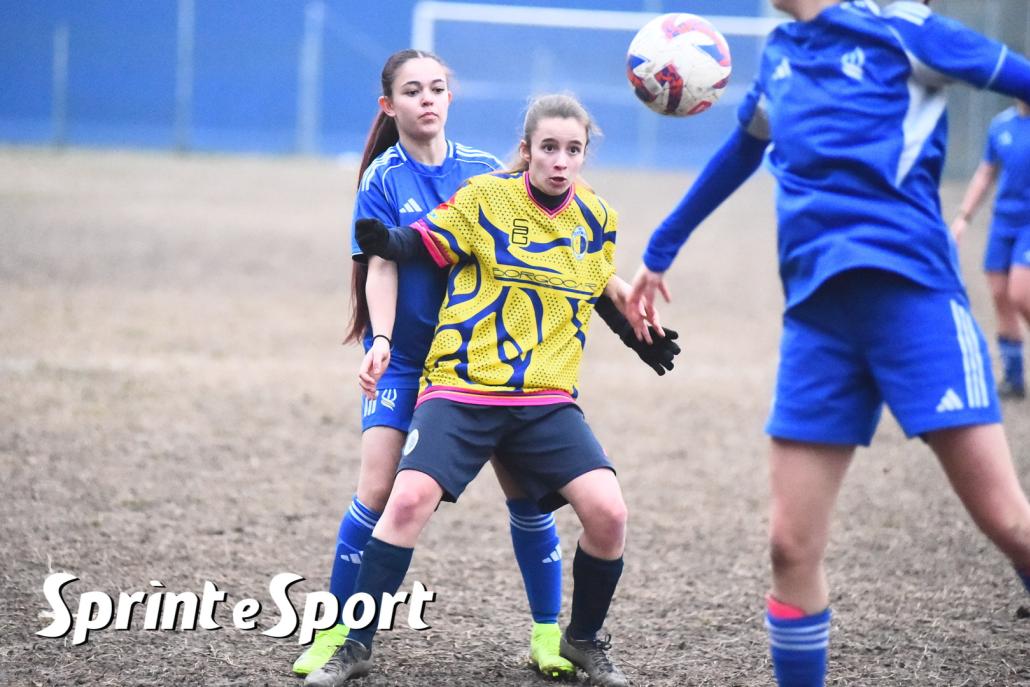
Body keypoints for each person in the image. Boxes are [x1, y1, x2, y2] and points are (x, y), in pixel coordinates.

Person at [626, 2, 1030, 685]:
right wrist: (661, 248)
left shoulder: (905, 29)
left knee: (1008, 523)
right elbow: (743, 149)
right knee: (790, 548)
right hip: (816, 322)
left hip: (915, 304)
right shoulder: (781, 52)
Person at [296, 50, 678, 681]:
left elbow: (571, 253)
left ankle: (552, 635)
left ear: (451, 97)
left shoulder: (484, 172)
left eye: (437, 87)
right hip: (420, 360)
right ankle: (339, 633)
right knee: (383, 494)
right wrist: (382, 337)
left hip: (503, 366)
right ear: (389, 105)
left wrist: (629, 317)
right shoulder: (384, 178)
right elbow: (386, 260)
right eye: (412, 90)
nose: (427, 98)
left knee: (531, 502)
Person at [951, 99, 1030, 399]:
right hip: (1003, 222)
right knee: (999, 294)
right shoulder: (1001, 125)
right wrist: (963, 217)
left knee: (1021, 293)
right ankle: (1013, 377)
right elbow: (986, 173)